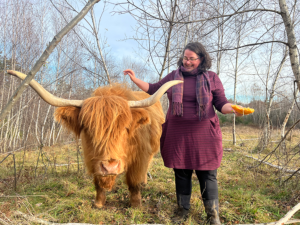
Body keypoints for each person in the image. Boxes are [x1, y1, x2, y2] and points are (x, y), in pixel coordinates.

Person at [123, 42, 243, 224]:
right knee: (181, 172)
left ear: (201, 59)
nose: (187, 62)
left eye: (192, 59)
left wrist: (233, 108)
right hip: (177, 133)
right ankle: (182, 211)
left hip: (205, 135)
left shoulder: (211, 78)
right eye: (185, 58)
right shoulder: (174, 77)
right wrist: (135, 79)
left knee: (208, 174)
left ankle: (213, 215)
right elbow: (154, 89)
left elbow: (221, 103)